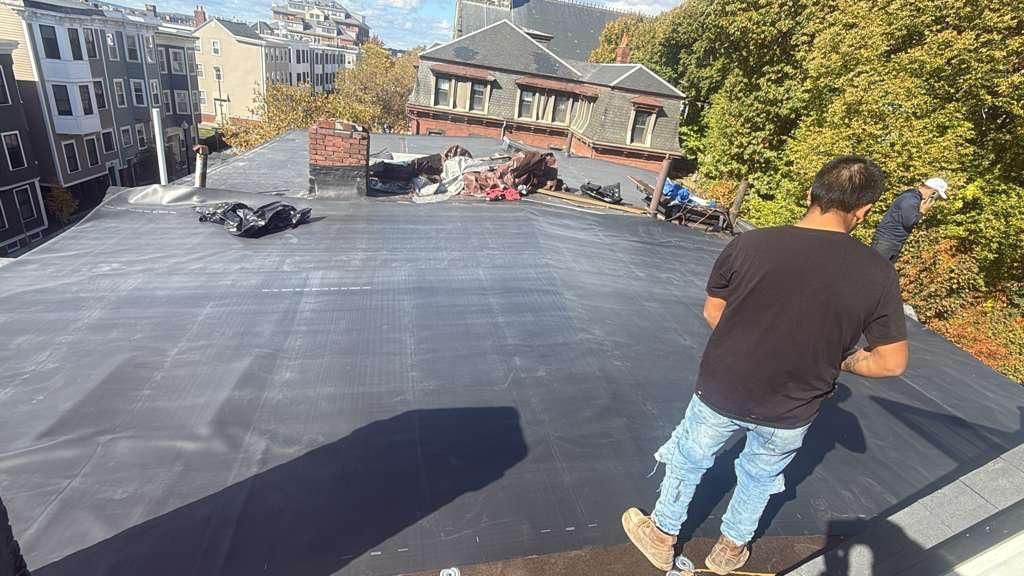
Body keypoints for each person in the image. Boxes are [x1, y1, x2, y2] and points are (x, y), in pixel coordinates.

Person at [621, 155, 910, 574]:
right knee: (759, 477)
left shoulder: (750, 245)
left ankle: (662, 535)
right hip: (792, 409)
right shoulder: (878, 274)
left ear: (811, 194)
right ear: (864, 211)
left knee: (690, 458)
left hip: (723, 388)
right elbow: (890, 362)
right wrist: (841, 359)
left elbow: (713, 312)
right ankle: (730, 550)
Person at [870, 177, 948, 261]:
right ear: (933, 193)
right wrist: (922, 212)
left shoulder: (912, 196)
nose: (935, 199)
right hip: (886, 242)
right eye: (937, 196)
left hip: (891, 242)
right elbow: (909, 223)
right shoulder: (912, 199)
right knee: (874, 268)